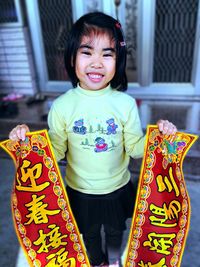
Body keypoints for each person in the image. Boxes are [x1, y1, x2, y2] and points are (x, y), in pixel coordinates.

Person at [9, 12, 177, 267]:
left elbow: (135, 149)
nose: (97, 62)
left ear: (118, 61)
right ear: (72, 57)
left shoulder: (125, 104)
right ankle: (96, 261)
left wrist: (160, 137)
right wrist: (25, 143)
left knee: (114, 232)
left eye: (107, 54)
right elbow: (54, 152)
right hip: (80, 191)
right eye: (87, 52)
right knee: (87, 234)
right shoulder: (62, 106)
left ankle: (112, 261)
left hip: (116, 188)